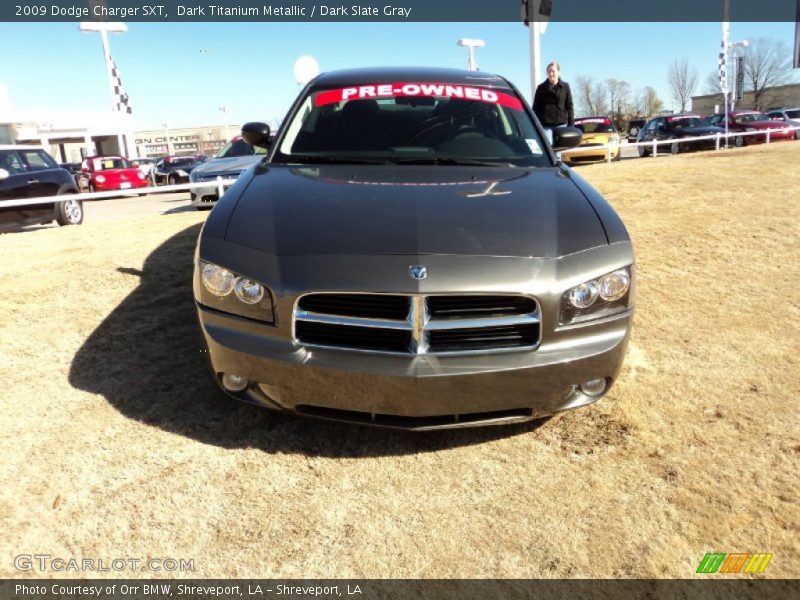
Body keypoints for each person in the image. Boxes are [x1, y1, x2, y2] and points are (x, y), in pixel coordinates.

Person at [532, 61, 574, 142]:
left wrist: (571, 125)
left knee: (559, 152)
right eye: (549, 72)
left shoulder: (565, 87)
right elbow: (535, 108)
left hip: (562, 125)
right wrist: (536, 125)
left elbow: (569, 106)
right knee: (548, 149)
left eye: (553, 71)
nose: (551, 74)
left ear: (558, 72)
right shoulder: (541, 88)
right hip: (546, 127)